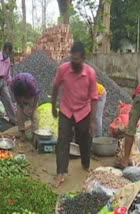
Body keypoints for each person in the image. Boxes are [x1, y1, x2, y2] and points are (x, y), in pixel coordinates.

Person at [51, 41, 98, 188]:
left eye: (77, 60)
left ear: (83, 59)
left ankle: (85, 163)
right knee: (62, 141)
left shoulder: (90, 74)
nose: (74, 63)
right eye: (72, 59)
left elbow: (94, 98)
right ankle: (60, 173)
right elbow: (55, 87)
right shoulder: (63, 69)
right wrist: (53, 106)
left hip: (83, 111)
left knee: (85, 139)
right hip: (66, 109)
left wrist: (92, 121)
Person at [0, 42, 16, 125]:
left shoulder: (8, 60)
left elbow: (8, 74)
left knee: (8, 98)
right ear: (3, 50)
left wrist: (11, 84)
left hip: (3, 80)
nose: (7, 55)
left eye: (9, 54)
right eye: (6, 53)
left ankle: (13, 119)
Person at [11, 73, 40, 142]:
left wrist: (33, 108)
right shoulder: (13, 84)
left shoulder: (31, 83)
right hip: (20, 96)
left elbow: (36, 96)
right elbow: (16, 97)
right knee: (19, 113)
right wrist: (22, 105)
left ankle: (35, 135)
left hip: (31, 96)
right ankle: (22, 133)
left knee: (34, 116)